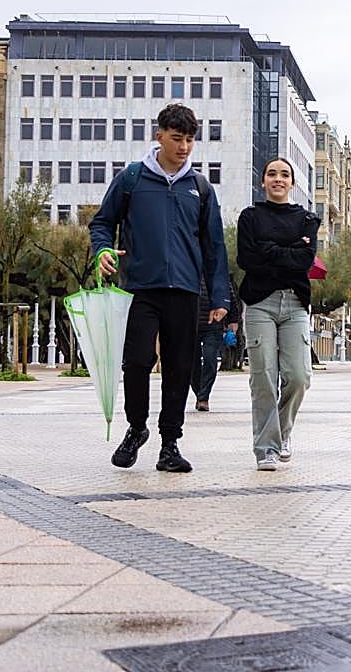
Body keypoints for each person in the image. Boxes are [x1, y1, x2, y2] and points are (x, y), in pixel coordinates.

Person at [90, 104, 229, 473]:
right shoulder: (132, 179)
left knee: (180, 367)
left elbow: (214, 245)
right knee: (137, 360)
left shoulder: (199, 187)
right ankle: (137, 428)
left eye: (189, 140)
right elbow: (101, 223)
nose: (184, 147)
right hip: (139, 288)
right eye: (176, 138)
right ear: (159, 136)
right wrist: (103, 251)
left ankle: (170, 444)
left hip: (184, 290)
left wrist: (219, 297)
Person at [237, 157, 321, 471]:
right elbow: (247, 258)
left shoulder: (307, 219)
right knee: (263, 378)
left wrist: (268, 249)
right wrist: (287, 250)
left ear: (292, 183)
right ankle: (266, 448)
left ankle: (283, 431)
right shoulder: (250, 217)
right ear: (263, 181)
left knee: (299, 376)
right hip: (260, 303)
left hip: (295, 304)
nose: (278, 179)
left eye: (284, 175)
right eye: (272, 174)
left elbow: (304, 261)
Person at [191, 275, 239, 411]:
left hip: (213, 325)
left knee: (210, 360)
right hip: (190, 325)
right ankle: (199, 393)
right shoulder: (187, 267)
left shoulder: (217, 271)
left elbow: (229, 295)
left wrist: (233, 320)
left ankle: (203, 398)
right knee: (192, 364)